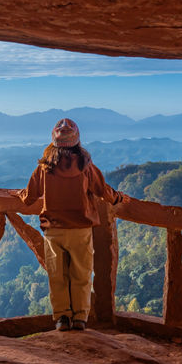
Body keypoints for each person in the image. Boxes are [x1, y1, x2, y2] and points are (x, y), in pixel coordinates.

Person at [16, 118, 128, 332]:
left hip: (54, 230)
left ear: (53, 140)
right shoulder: (85, 166)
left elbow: (29, 197)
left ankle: (61, 319)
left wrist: (19, 195)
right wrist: (119, 198)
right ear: (77, 140)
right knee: (82, 275)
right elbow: (103, 190)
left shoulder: (44, 167)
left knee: (57, 276)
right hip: (81, 230)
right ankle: (80, 319)